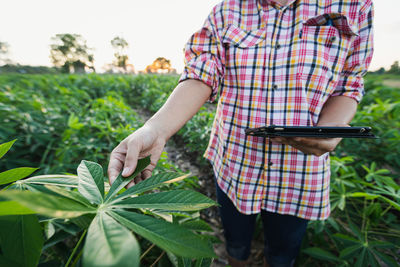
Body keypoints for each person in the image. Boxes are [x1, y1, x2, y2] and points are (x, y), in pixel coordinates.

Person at [108, 0, 374, 266]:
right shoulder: (227, 10)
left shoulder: (354, 5)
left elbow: (350, 82)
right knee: (235, 243)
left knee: (283, 254)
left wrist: (329, 128)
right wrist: (156, 129)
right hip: (236, 162)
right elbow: (202, 73)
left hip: (300, 168)